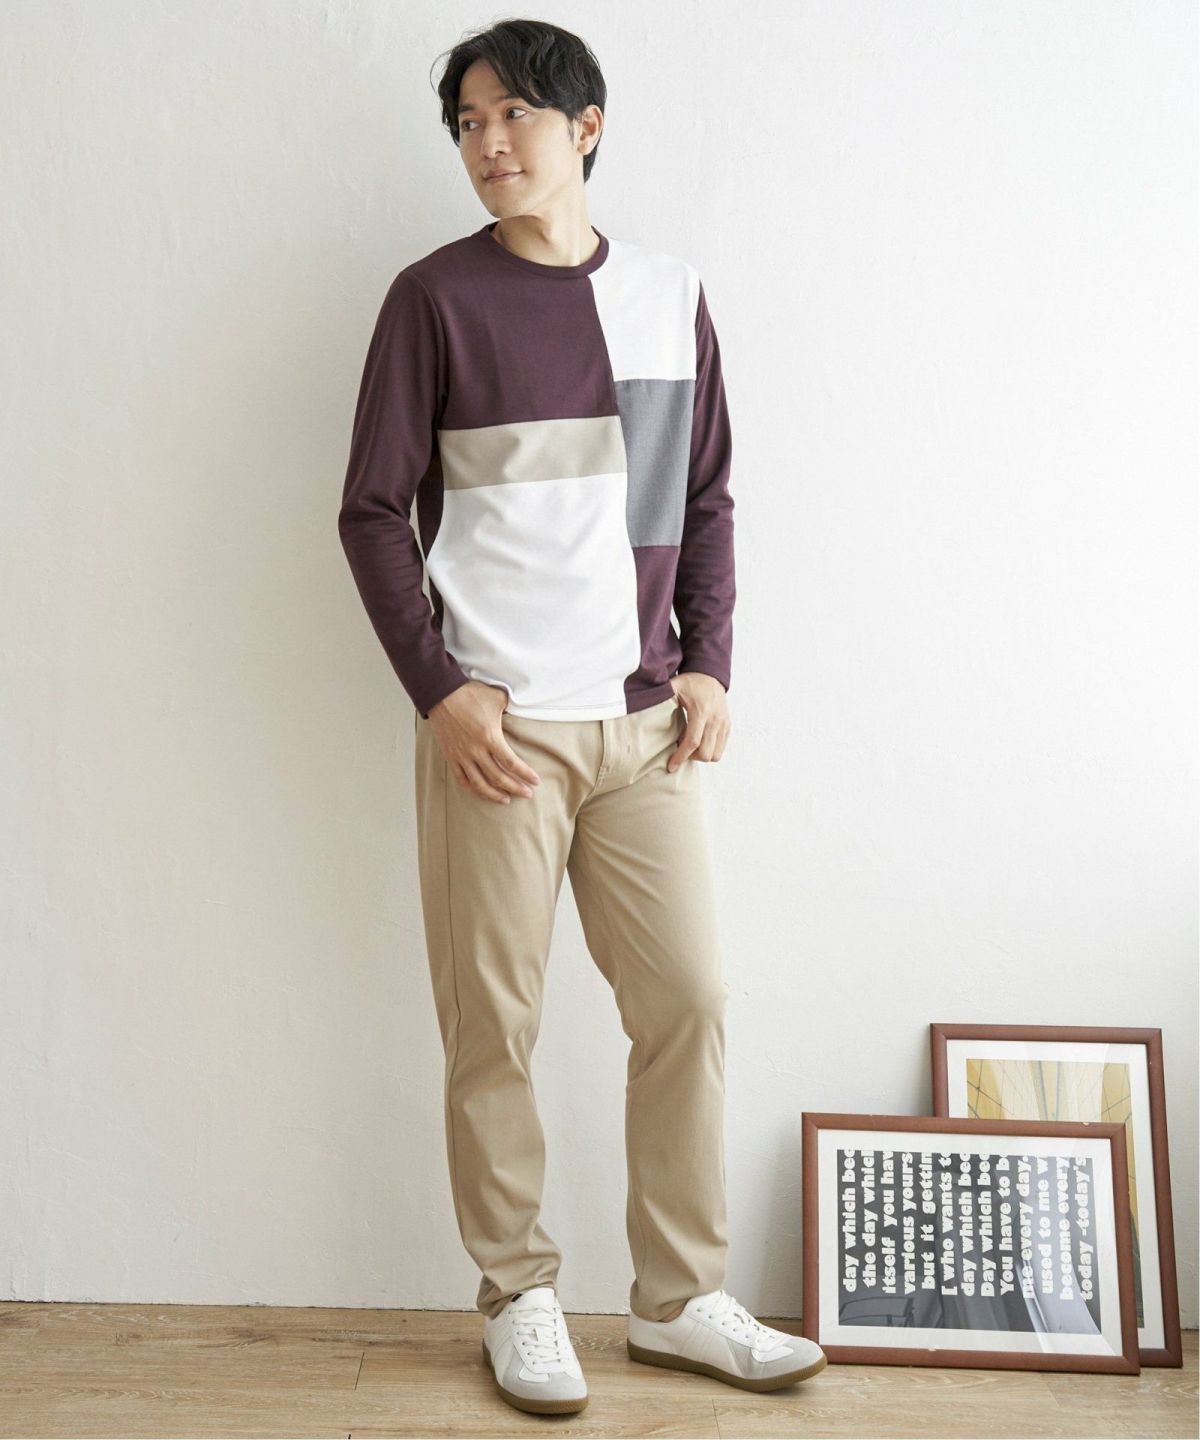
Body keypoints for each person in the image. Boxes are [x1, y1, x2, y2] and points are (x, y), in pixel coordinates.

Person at [337, 17, 826, 1417]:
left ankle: (677, 1299)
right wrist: (441, 690)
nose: (488, 144)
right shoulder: (433, 299)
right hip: (496, 738)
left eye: (514, 116)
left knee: (691, 1001)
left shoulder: (671, 296)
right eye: (469, 124)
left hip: (643, 728)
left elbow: (709, 497)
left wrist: (708, 661)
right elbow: (370, 511)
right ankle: (520, 1293)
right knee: (493, 1025)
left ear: (585, 125)